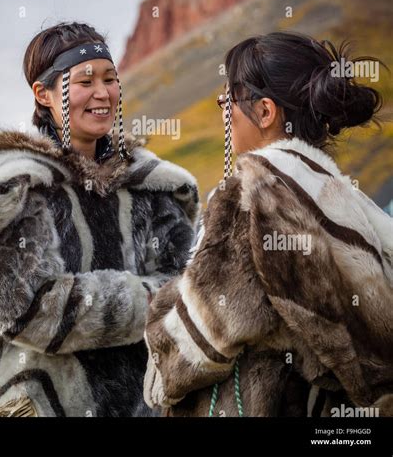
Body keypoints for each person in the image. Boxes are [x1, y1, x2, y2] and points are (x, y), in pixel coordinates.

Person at [0, 21, 199, 417]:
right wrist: (153, 298)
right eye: (85, 81)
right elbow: (28, 311)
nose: (102, 93)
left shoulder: (152, 186)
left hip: (147, 406)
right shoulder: (17, 188)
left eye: (110, 78)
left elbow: (191, 288)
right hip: (43, 401)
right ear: (43, 94)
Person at [143, 32, 393, 417]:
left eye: (226, 100)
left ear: (264, 112)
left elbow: (204, 336)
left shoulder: (256, 191)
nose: (222, 111)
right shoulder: (343, 194)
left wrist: (159, 352)